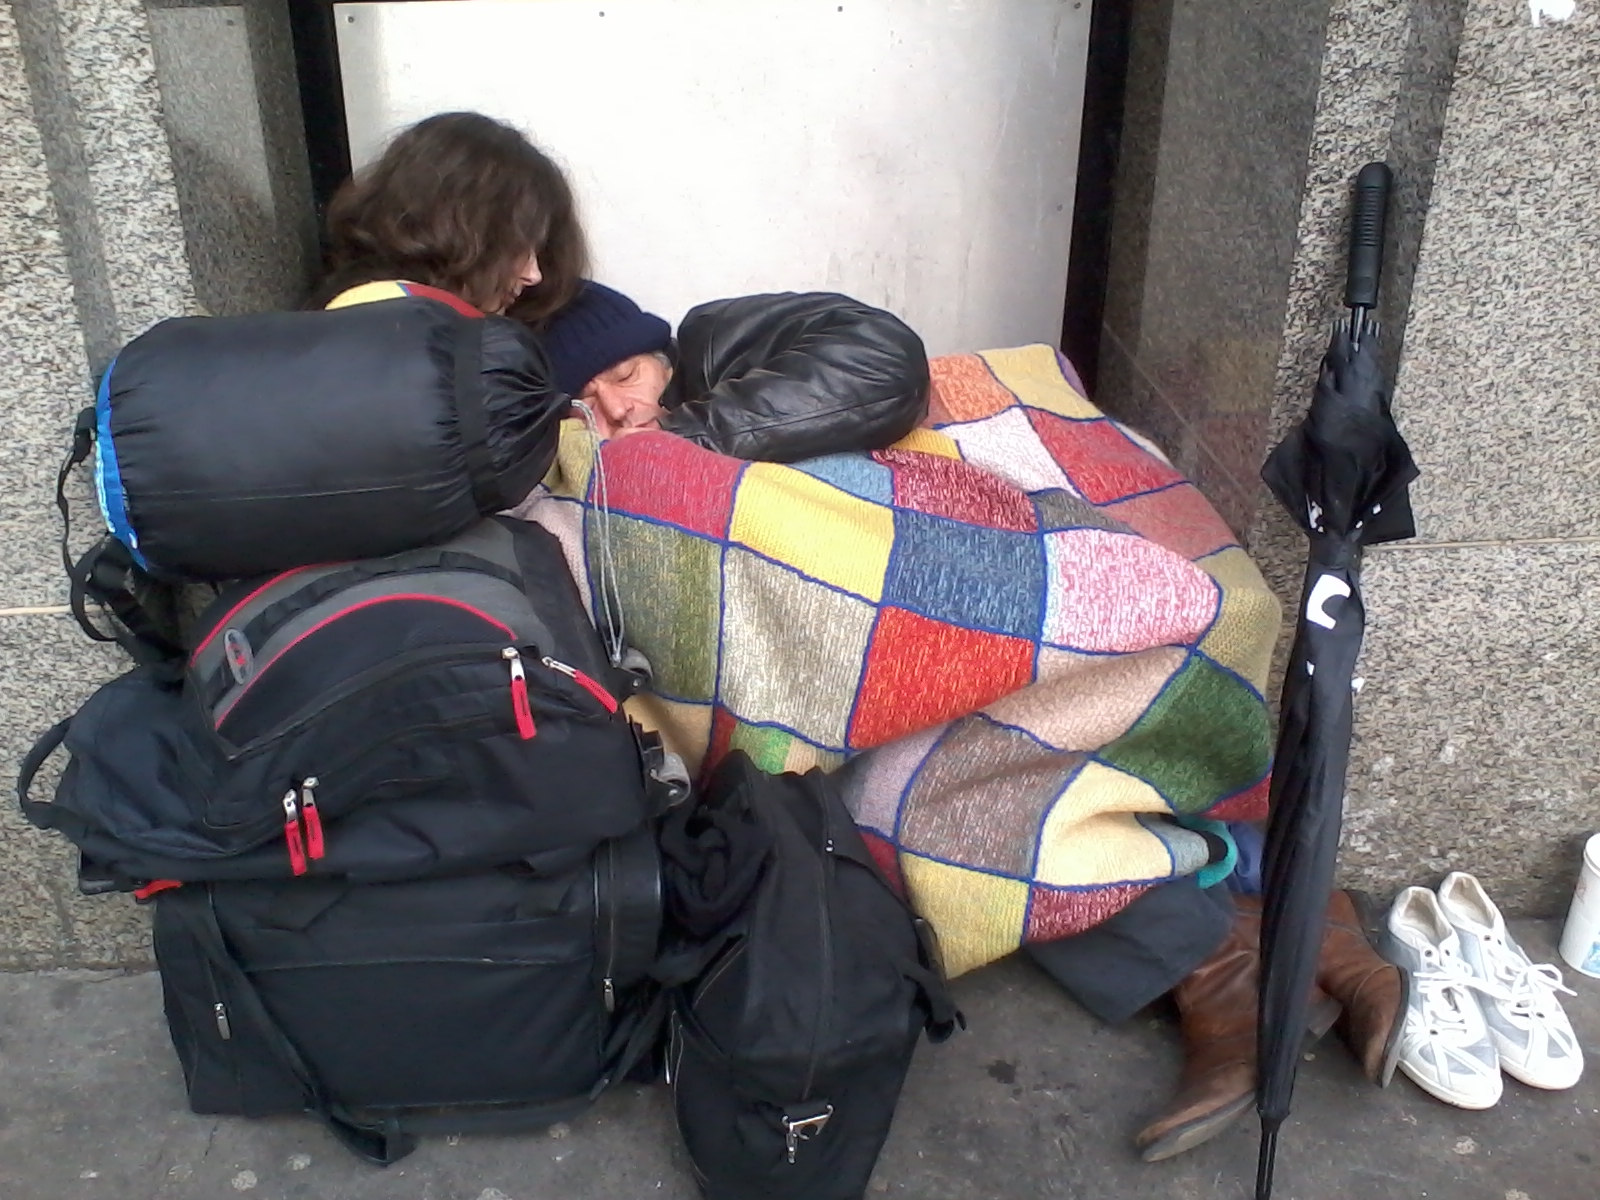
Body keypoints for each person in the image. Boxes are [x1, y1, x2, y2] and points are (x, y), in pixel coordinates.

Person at [536, 279, 1409, 1160]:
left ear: (660, 350)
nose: (618, 407)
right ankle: (1280, 933)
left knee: (1001, 742)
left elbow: (882, 362)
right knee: (919, 796)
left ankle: (1232, 956)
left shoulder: (719, 342)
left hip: (982, 547)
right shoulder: (588, 465)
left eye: (626, 374)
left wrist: (690, 437)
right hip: (868, 654)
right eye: (587, 400)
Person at [309, 111, 588, 320]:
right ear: (458, 226)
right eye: (518, 246)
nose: (533, 275)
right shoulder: (389, 323)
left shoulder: (361, 315)